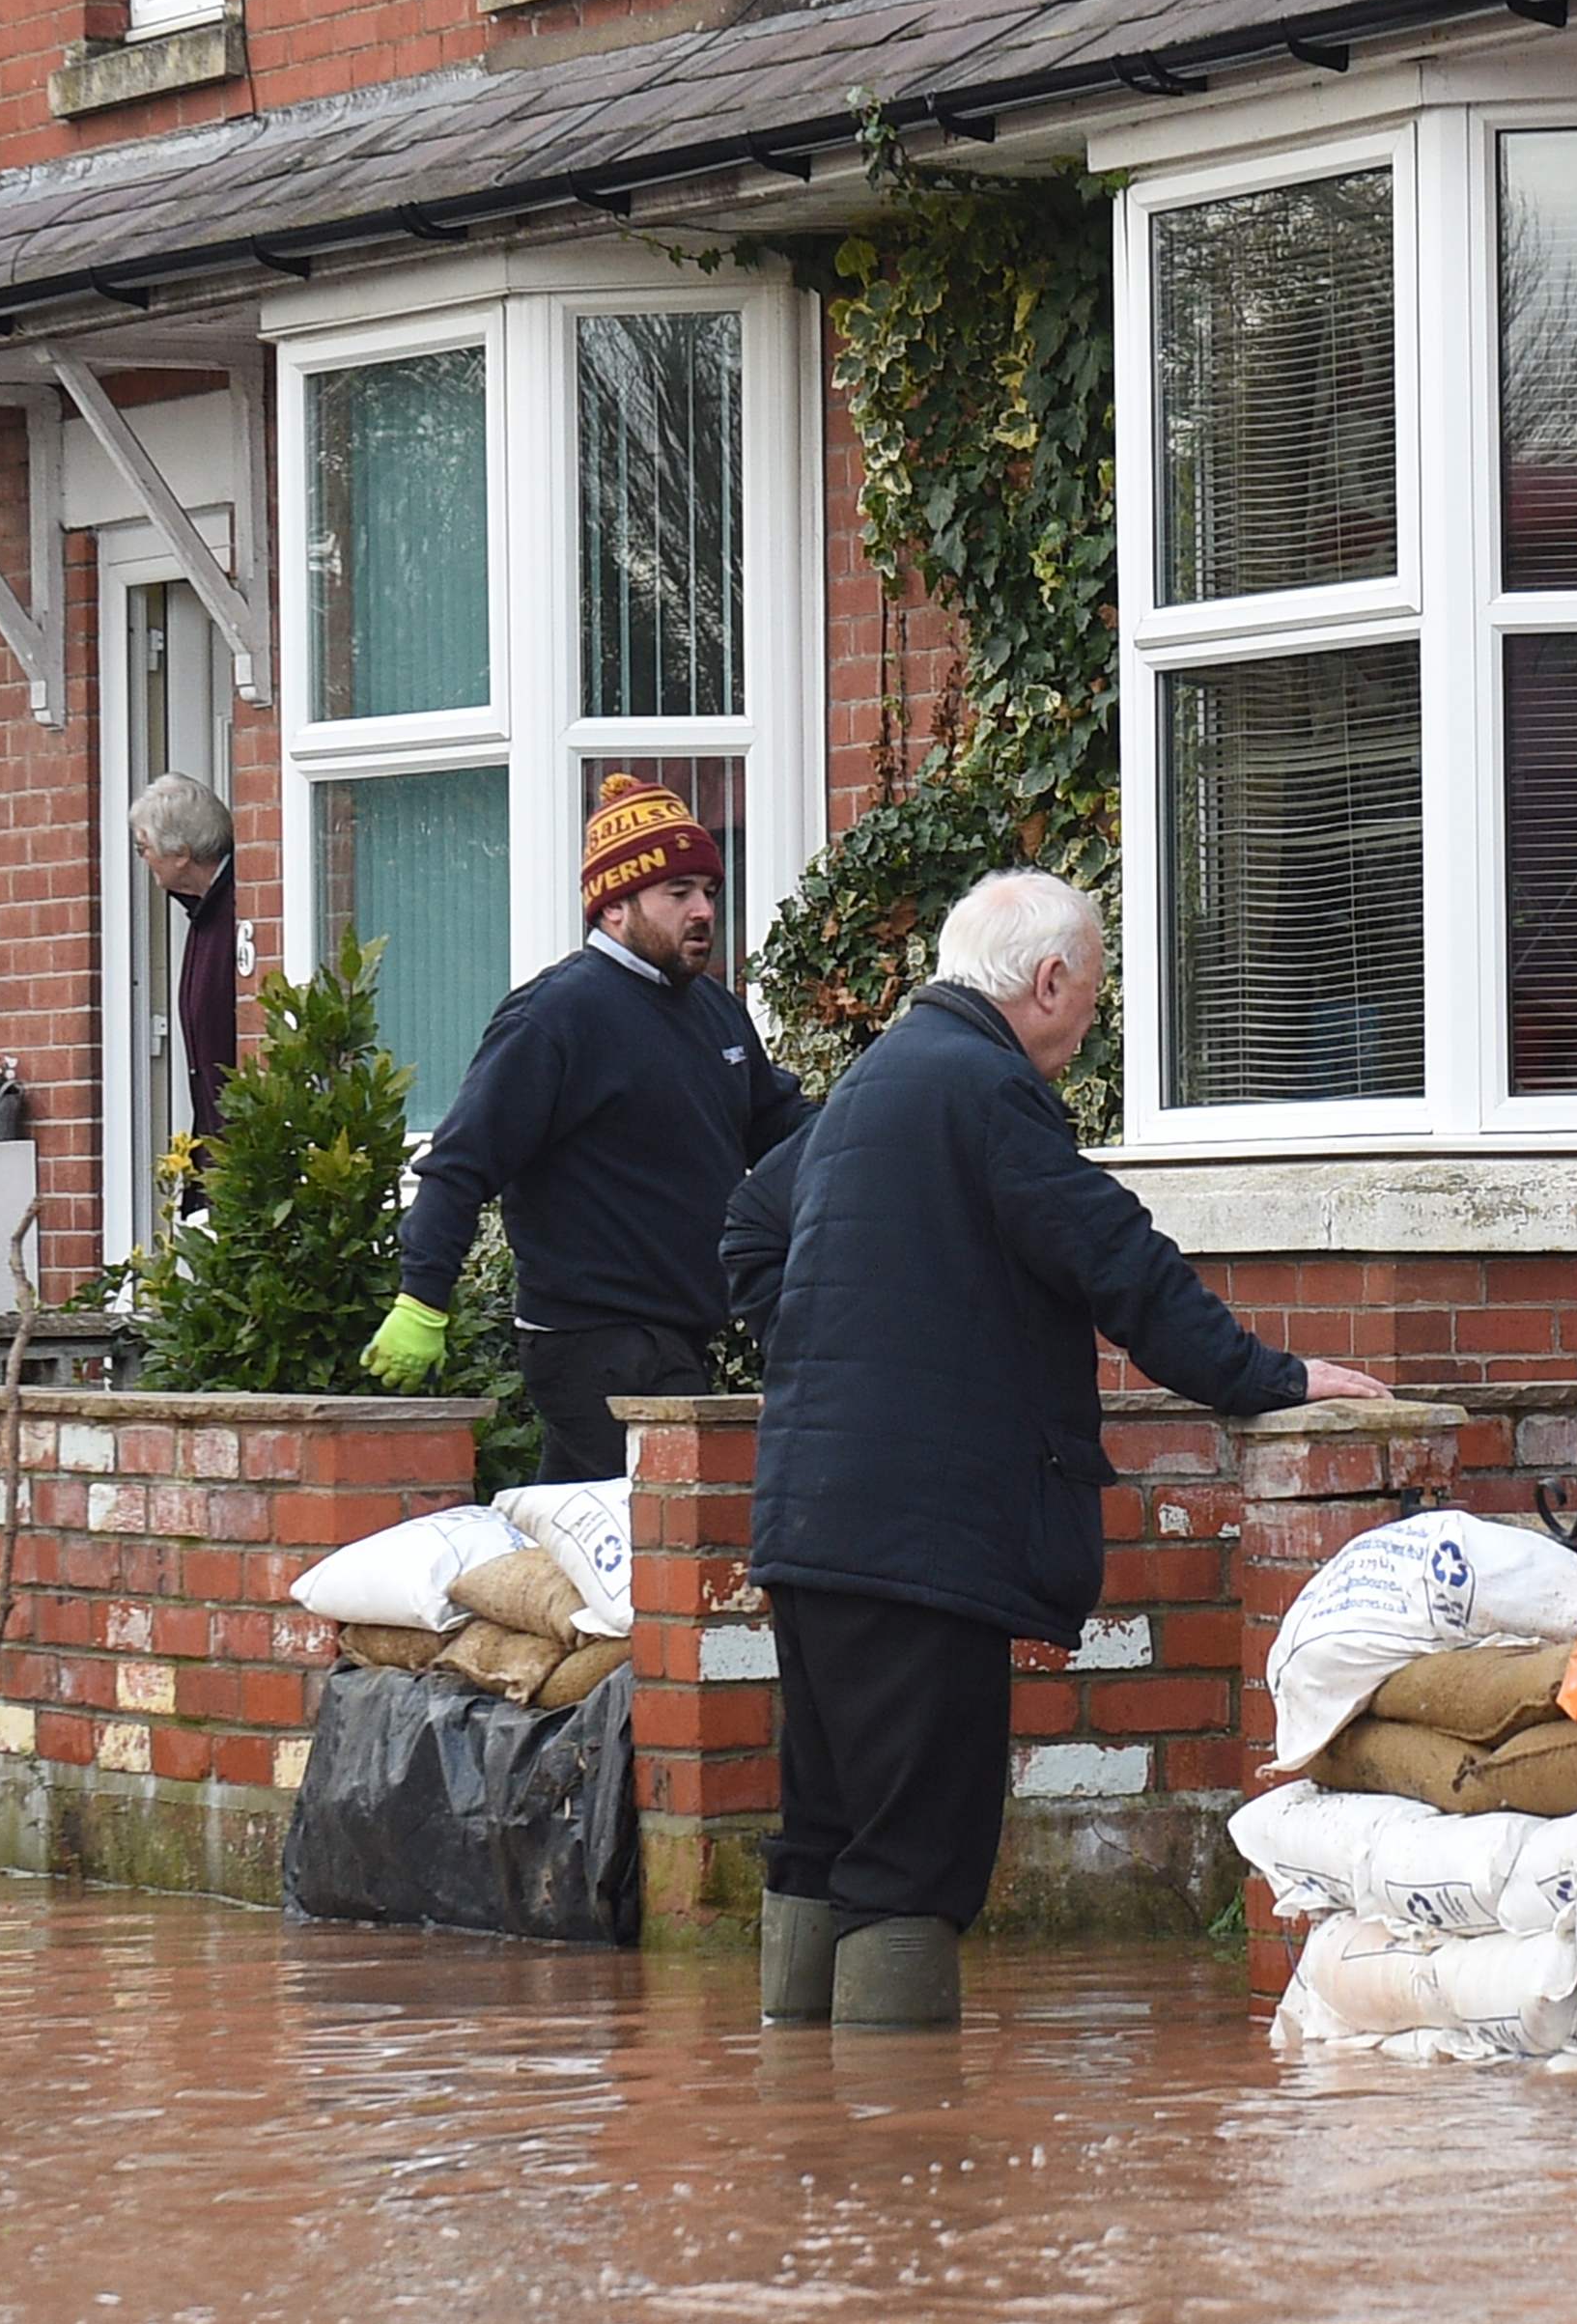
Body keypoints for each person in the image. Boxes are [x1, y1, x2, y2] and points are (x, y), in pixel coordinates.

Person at [747, 872, 1387, 2030]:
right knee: (912, 1859)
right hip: (917, 1546)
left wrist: (836, 1359)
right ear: (1047, 983)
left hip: (807, 1524)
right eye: (1088, 1004)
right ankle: (900, 2170)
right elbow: (1119, 1265)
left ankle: (808, 2159)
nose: (1085, 1031)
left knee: (821, 1835)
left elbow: (751, 1226)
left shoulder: (875, 1081)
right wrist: (1275, 1378)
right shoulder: (986, 1089)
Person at [366, 776, 807, 1481]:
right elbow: (462, 1161)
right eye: (679, 893)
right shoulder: (557, 1017)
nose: (702, 911)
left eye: (710, 892)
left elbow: (779, 1126)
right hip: (594, 1343)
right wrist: (423, 1298)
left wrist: (867, 1136)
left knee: (583, 1546)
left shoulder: (714, 1013)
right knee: (669, 1541)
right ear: (613, 907)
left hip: (675, 1336)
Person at [124, 771, 236, 1149]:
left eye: (145, 847)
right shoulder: (204, 913)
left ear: (182, 853)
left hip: (245, 1151)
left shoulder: (234, 912)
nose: (144, 858)